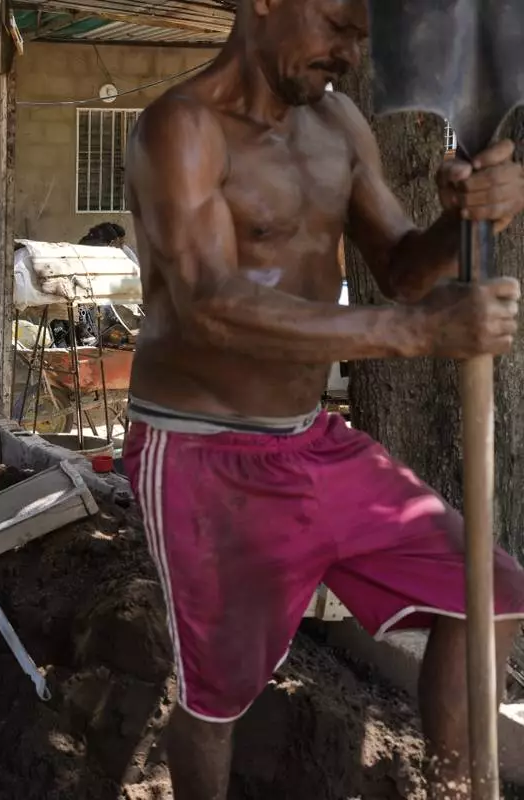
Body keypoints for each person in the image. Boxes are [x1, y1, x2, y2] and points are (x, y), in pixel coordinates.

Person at [123, 1, 524, 797]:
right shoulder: (181, 128)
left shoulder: (340, 125)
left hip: (310, 439)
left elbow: (406, 270)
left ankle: (453, 790)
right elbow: (209, 308)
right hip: (203, 453)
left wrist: (463, 220)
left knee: (492, 592)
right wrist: (416, 334)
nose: (350, 51)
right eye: (338, 25)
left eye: (360, 36)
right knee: (217, 695)